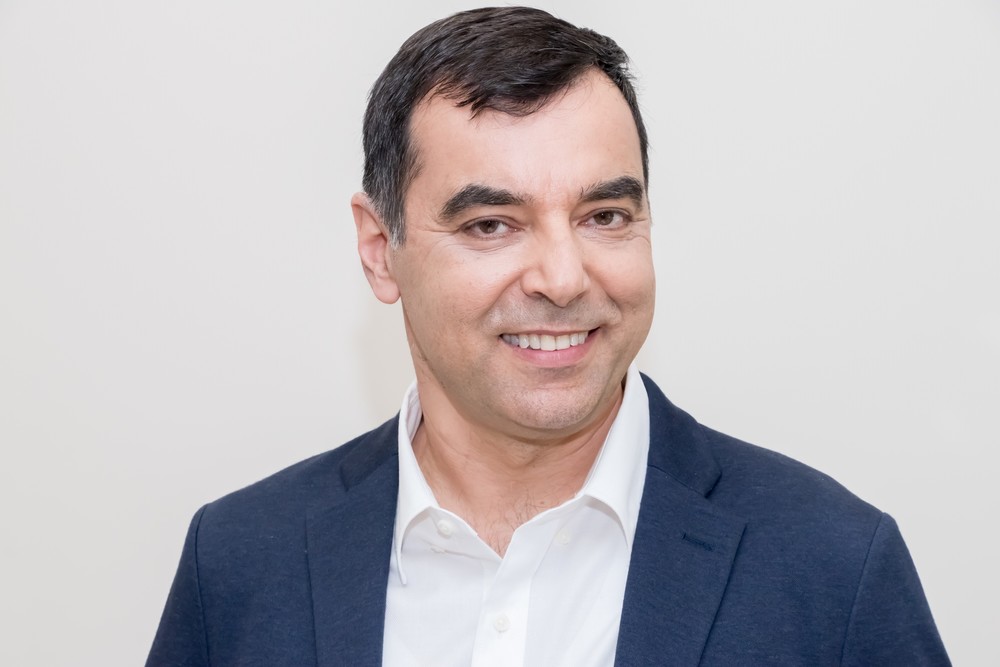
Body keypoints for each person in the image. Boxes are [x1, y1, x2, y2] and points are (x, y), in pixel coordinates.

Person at [146, 7, 949, 665]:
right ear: (380, 249)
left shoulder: (835, 567)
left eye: (605, 216)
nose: (563, 279)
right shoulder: (240, 563)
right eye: (492, 223)